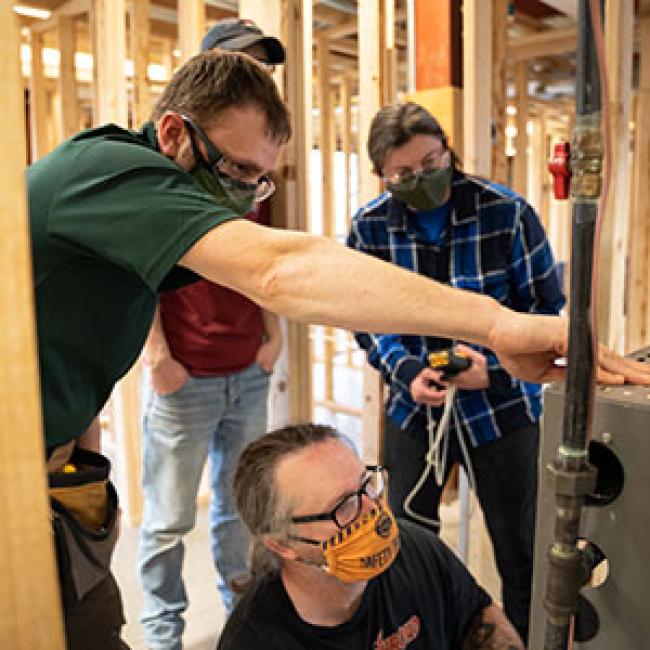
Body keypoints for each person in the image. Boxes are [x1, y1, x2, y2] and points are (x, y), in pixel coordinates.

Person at [28, 49, 650, 649]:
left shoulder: (504, 212)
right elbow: (284, 271)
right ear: (172, 134)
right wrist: (494, 324)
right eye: (236, 171)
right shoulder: (107, 172)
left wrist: (81, 461)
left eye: (258, 178)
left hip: (58, 484)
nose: (247, 193)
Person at [345, 101, 564, 642]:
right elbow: (359, 315)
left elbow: (544, 310)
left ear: (448, 149)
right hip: (414, 407)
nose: (422, 178)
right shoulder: (370, 228)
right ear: (383, 176)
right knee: (406, 545)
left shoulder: (507, 213)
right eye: (404, 174)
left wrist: (501, 371)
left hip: (503, 410)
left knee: (521, 549)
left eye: (432, 161)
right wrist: (407, 369)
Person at [138, 20, 285, 650]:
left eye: (263, 66)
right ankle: (163, 635)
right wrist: (158, 354)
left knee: (237, 514)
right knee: (168, 521)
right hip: (186, 373)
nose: (257, 74)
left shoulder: (257, 167)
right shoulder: (166, 165)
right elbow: (138, 266)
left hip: (247, 369)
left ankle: (239, 624)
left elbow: (270, 261)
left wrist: (272, 332)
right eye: (243, 63)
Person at [217, 423, 525, 649]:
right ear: (282, 544)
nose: (372, 511)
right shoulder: (254, 639)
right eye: (343, 506)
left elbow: (477, 616)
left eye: (367, 486)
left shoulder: (415, 547)